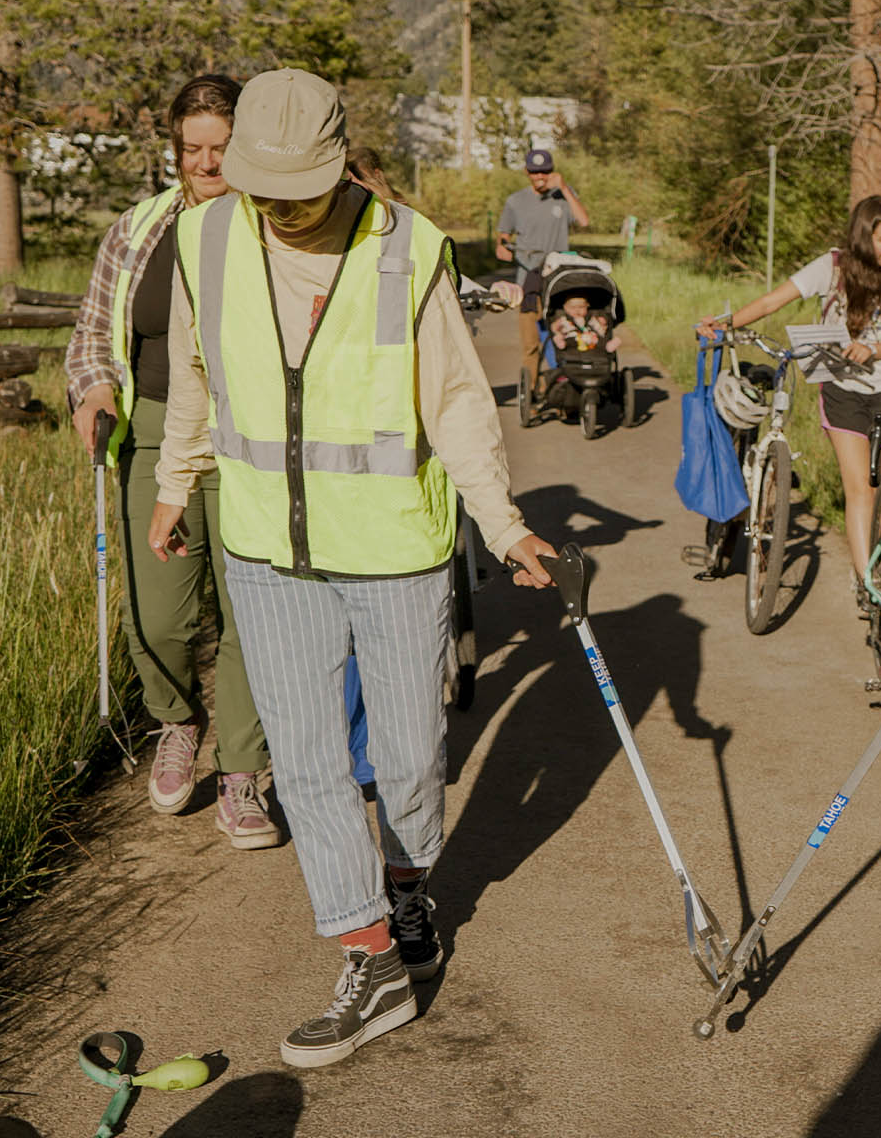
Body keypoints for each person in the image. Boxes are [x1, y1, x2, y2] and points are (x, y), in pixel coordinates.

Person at [147, 68, 557, 1070]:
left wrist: (501, 525)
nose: (282, 210)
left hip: (391, 549)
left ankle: (408, 885)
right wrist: (173, 484)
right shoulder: (202, 238)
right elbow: (193, 380)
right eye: (263, 187)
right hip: (265, 548)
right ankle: (367, 951)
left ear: (339, 165)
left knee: (412, 756)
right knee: (312, 761)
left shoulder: (407, 247)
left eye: (300, 189)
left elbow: (457, 399)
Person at [65, 73, 281, 850]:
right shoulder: (139, 228)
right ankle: (177, 721)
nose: (206, 162)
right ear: (174, 150)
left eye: (221, 148)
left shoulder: (273, 224)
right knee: (159, 610)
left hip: (251, 435)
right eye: (192, 149)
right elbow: (93, 330)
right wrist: (94, 392)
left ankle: (242, 771)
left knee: (252, 609)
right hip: (154, 429)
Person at [696, 196, 881, 607]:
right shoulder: (833, 267)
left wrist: (874, 351)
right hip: (843, 390)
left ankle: (870, 557)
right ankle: (867, 580)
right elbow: (773, 301)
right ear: (863, 237)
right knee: (859, 489)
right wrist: (724, 324)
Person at [495, 147, 591, 397]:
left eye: (545, 171)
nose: (540, 176)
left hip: (559, 277)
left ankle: (564, 388)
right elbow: (503, 236)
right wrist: (502, 248)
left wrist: (565, 188)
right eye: (535, 171)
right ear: (527, 172)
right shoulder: (516, 201)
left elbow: (584, 221)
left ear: (552, 171)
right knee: (530, 342)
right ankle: (534, 390)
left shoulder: (563, 196)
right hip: (528, 278)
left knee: (563, 335)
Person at [545, 291, 619, 353]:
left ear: (587, 306)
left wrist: (602, 322)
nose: (577, 310)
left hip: (590, 338)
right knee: (566, 339)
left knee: (599, 339)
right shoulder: (563, 319)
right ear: (565, 308)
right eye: (573, 307)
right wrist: (556, 327)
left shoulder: (591, 318)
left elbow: (599, 327)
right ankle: (561, 343)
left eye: (581, 307)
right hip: (572, 338)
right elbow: (553, 327)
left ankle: (608, 346)